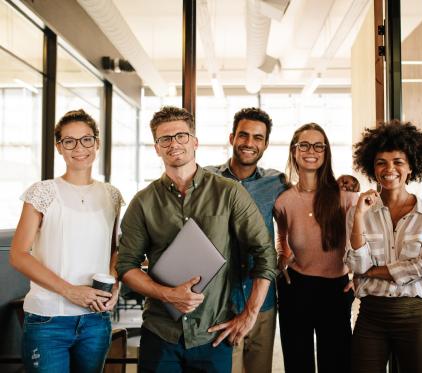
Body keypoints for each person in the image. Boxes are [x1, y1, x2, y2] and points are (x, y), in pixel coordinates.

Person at [115, 106, 277, 373]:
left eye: (181, 136)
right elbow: (126, 266)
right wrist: (168, 294)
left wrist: (249, 315)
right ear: (156, 147)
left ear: (195, 142)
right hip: (160, 333)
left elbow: (265, 254)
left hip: (213, 334)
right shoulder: (142, 202)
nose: (173, 144)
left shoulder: (229, 193)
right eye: (164, 139)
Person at [9, 109, 123, 373]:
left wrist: (114, 287)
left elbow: (113, 250)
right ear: (59, 147)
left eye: (86, 139)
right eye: (68, 141)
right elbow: (18, 254)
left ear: (97, 143)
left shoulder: (112, 195)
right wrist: (69, 290)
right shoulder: (43, 192)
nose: (78, 148)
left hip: (95, 320)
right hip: (49, 319)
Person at [345, 121, 422, 373]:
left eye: (398, 161)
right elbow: (357, 264)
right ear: (372, 167)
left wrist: (371, 272)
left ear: (411, 167)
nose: (390, 169)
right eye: (381, 162)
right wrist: (358, 216)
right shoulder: (360, 211)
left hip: (415, 316)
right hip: (371, 316)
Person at [206, 107, 286, 373]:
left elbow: (304, 210)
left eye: (257, 137)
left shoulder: (277, 182)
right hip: (219, 301)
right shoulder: (206, 179)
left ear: (265, 144)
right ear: (232, 138)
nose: (249, 143)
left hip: (260, 300)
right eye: (243, 135)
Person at [273, 123, 357, 373]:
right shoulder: (284, 200)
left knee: (337, 362)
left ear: (326, 151)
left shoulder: (344, 195)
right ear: (294, 151)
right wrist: (281, 258)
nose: (312, 151)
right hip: (296, 287)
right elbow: (282, 235)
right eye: (304, 145)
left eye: (319, 145)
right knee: (298, 363)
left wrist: (360, 274)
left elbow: (366, 239)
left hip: (336, 289)